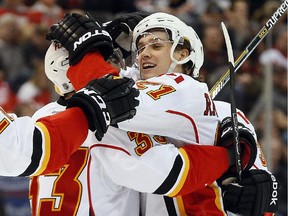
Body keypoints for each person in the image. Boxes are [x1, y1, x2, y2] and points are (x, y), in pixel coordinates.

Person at [46, 12, 278, 215]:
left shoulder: (187, 89)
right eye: (140, 48)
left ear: (183, 53)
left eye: (156, 46)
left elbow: (112, 96)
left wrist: (262, 190)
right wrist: (106, 36)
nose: (144, 54)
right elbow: (95, 83)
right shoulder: (147, 101)